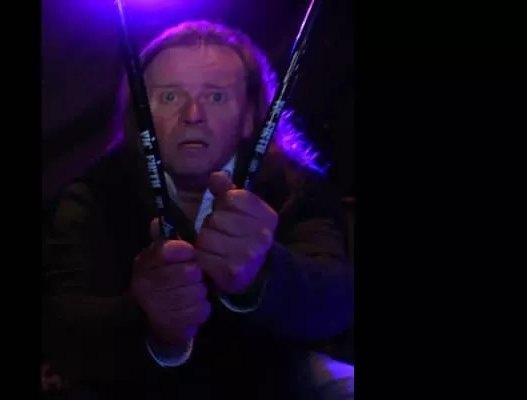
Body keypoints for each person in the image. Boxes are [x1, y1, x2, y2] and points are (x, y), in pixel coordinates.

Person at [42, 20, 354, 400]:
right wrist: (146, 320)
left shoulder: (296, 186)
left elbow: (336, 303)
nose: (192, 114)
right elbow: (63, 329)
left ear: (250, 117)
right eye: (170, 96)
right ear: (139, 115)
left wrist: (263, 275)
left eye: (216, 97)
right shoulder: (93, 193)